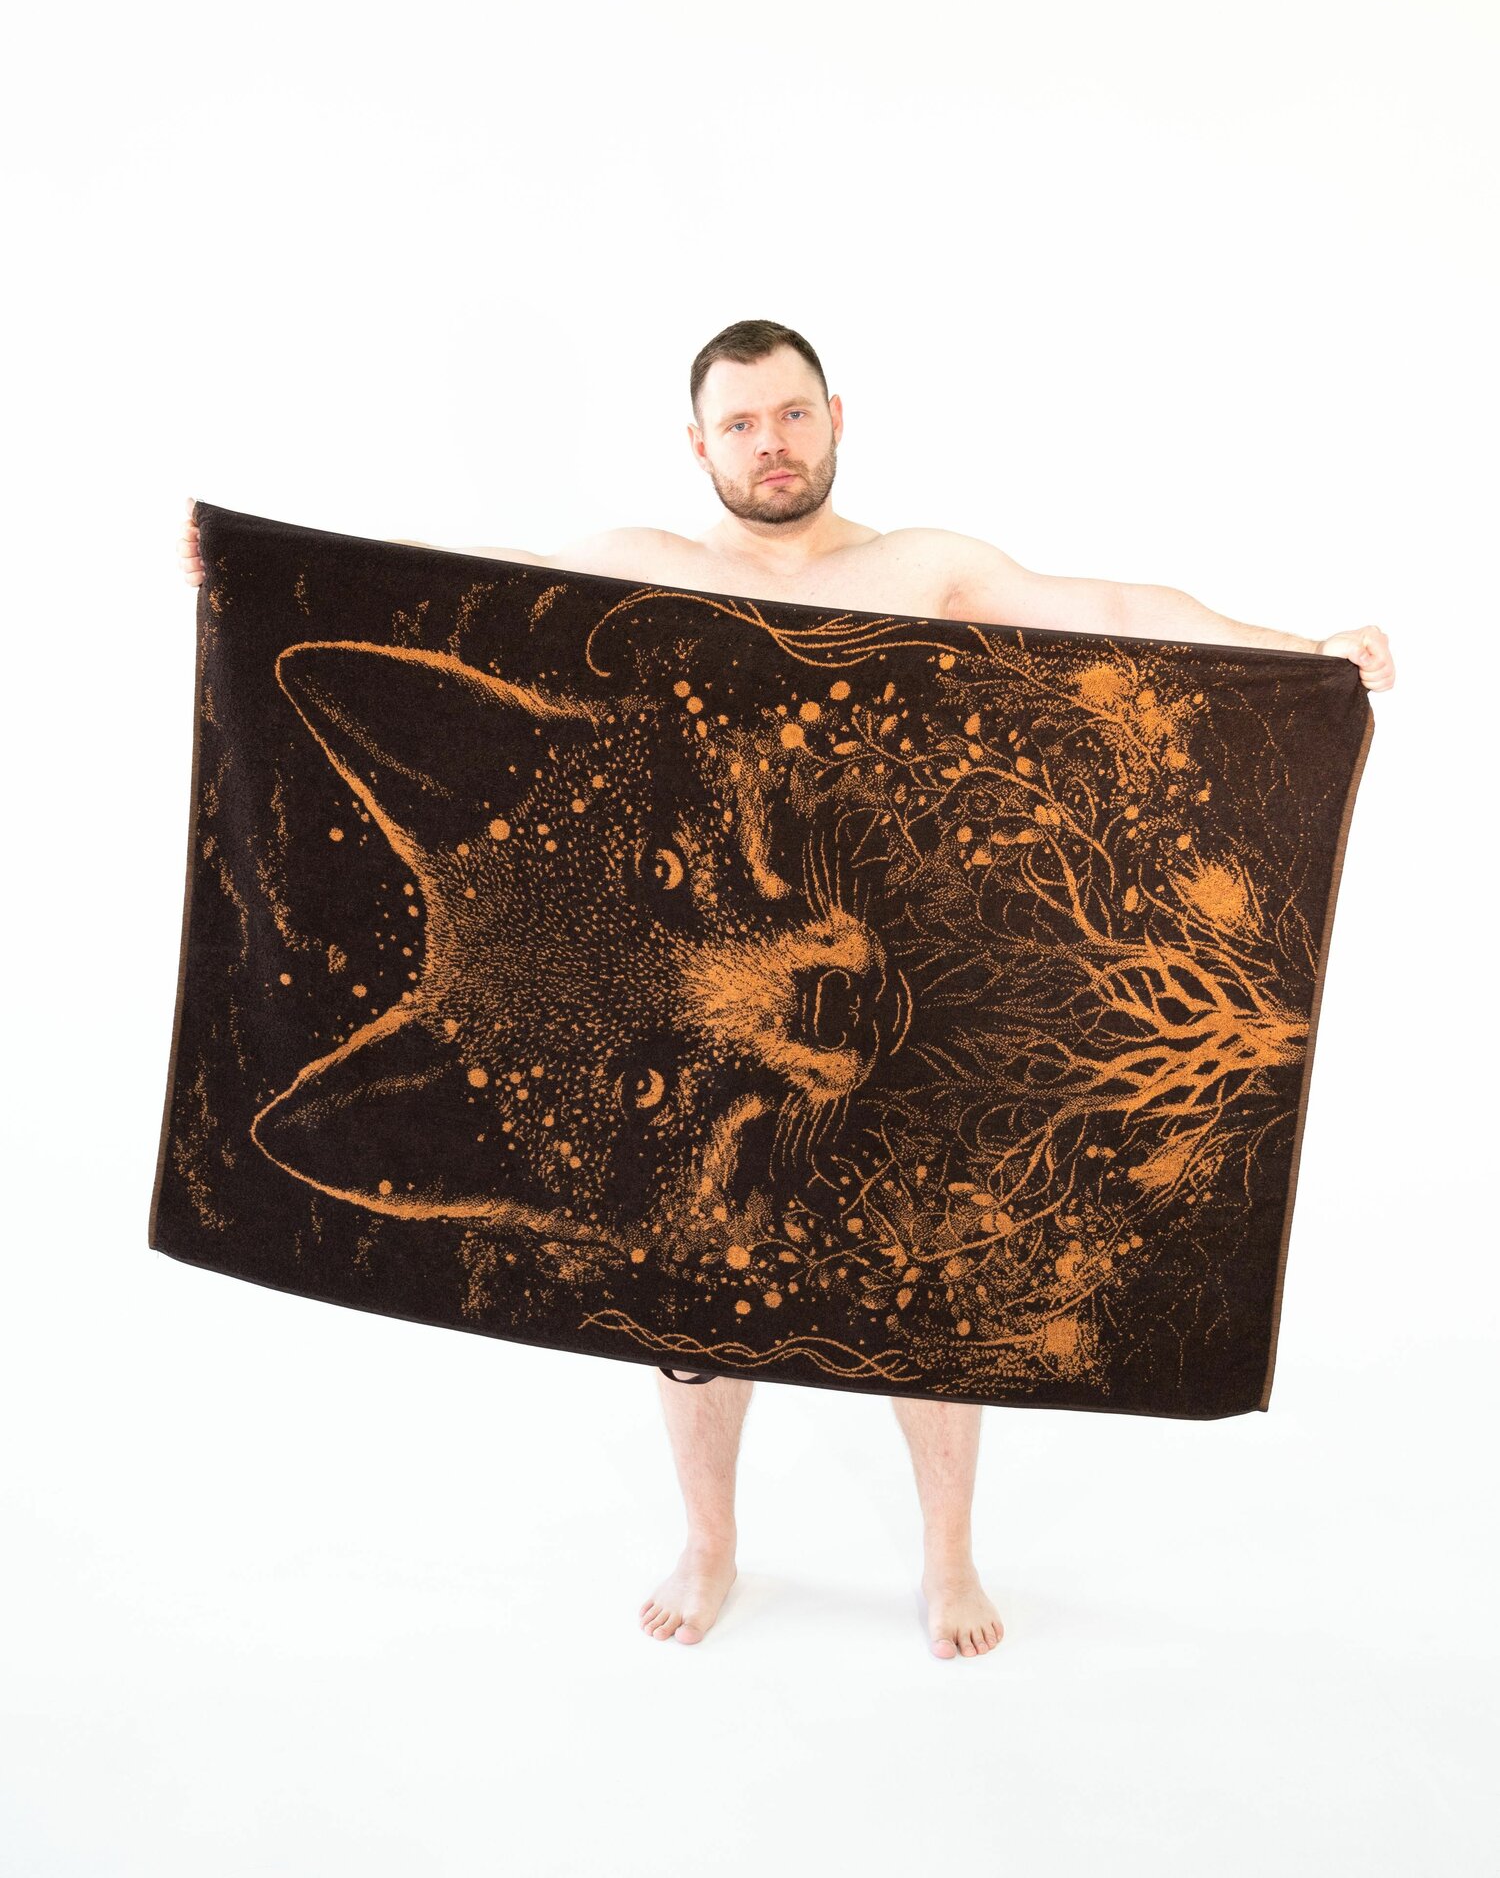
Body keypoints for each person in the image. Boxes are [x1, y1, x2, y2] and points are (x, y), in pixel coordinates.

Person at [175, 318, 1395, 1660]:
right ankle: (711, 1542)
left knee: (939, 1313)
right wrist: (256, 572)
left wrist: (1300, 649)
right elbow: (442, 583)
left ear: (834, 418)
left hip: (942, 949)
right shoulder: (645, 573)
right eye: (743, 424)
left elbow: (1103, 611)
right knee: (687, 1321)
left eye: (792, 415)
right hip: (757, 1136)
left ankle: (948, 1558)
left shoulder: (917, 569)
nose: (772, 444)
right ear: (700, 445)